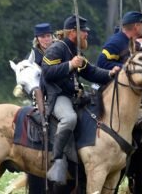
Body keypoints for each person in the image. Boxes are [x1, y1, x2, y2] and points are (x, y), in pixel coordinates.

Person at [41, 14, 120, 185]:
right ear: (72, 32)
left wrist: (110, 74)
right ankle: (58, 159)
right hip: (59, 96)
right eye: (84, 31)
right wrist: (70, 65)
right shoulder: (57, 48)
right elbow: (47, 72)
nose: (86, 35)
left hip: (75, 96)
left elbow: (91, 72)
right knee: (69, 119)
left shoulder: (76, 51)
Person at [97, 11, 142, 132]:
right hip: (115, 93)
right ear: (136, 26)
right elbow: (101, 63)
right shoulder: (116, 42)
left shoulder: (132, 42)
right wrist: (125, 68)